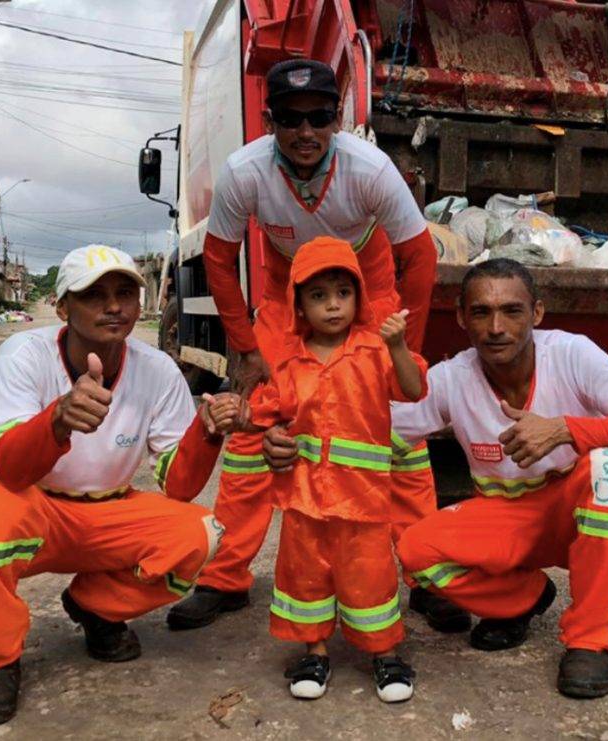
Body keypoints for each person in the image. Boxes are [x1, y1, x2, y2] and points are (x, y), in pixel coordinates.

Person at [173, 58, 466, 632]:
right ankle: (226, 576)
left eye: (319, 117)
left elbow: (419, 257)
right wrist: (247, 347)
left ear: (337, 118)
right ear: (269, 119)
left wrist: (402, 349)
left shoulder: (371, 170)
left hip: (371, 286)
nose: (305, 132)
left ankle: (427, 576)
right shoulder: (244, 173)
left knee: (399, 436)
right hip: (289, 293)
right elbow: (217, 259)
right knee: (256, 425)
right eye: (290, 118)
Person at [0, 245, 238, 728]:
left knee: (199, 534)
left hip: (107, 510)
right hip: (36, 507)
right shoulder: (23, 356)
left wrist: (206, 433)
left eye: (125, 293)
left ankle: (95, 607)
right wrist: (57, 423)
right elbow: (8, 466)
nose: (114, 306)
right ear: (63, 307)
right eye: (94, 295)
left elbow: (178, 486)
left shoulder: (157, 369)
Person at [388, 259, 608, 698]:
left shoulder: (571, 353)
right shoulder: (452, 377)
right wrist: (285, 434)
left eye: (512, 311)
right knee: (416, 550)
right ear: (461, 318)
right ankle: (522, 599)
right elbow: (379, 432)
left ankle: (589, 640)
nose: (496, 327)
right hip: (509, 521)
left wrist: (566, 429)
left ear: (537, 314)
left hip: (572, 514)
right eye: (481, 313)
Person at [245, 237, 426, 702]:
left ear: (359, 297)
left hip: (362, 497)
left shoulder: (374, 350)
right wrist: (246, 422)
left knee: (370, 574)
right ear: (298, 305)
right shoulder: (288, 362)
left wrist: (400, 346)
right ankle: (315, 651)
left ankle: (384, 655)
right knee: (306, 576)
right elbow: (267, 414)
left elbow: (412, 389)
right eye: (319, 295)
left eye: (343, 293)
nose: (333, 305)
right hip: (304, 497)